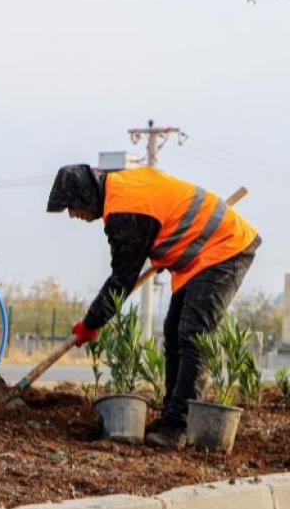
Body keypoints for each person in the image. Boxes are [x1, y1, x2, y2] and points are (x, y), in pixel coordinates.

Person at [47, 164, 260, 448]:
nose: (74, 215)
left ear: (85, 195)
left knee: (193, 334)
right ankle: (172, 415)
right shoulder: (121, 187)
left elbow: (121, 281)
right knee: (173, 332)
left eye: (72, 207)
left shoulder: (125, 208)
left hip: (224, 249)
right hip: (198, 254)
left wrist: (90, 325)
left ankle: (179, 425)